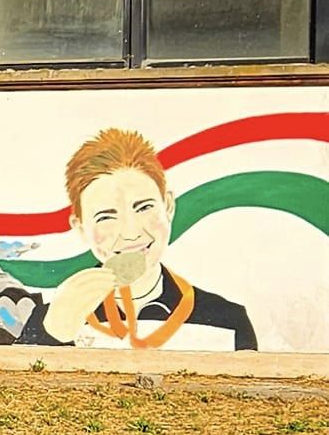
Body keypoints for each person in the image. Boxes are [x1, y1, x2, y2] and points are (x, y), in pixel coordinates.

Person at [19, 126, 256, 352]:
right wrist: (49, 335)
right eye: (106, 217)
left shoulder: (226, 319)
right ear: (80, 228)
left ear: (169, 206)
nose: (130, 233)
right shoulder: (49, 320)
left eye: (143, 208)